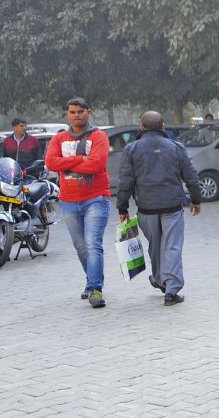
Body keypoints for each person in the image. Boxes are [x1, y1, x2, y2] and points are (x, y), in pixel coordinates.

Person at [116, 111, 202, 305]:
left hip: (146, 208)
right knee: (172, 246)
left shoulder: (131, 149)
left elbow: (125, 182)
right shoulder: (176, 147)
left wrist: (122, 208)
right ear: (163, 126)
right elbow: (190, 176)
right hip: (172, 206)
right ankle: (171, 289)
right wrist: (196, 199)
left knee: (155, 247)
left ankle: (160, 279)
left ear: (141, 127)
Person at [45, 97, 111, 308]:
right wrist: (80, 159)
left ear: (88, 113)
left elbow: (96, 165)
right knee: (81, 247)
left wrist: (65, 165)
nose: (76, 115)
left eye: (80, 111)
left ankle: (95, 289)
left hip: (96, 198)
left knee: (92, 244)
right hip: (68, 200)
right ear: (68, 115)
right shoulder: (59, 138)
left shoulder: (99, 136)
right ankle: (91, 281)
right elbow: (51, 162)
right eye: (72, 112)